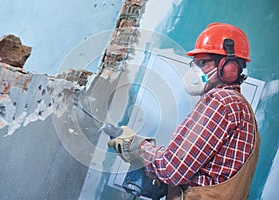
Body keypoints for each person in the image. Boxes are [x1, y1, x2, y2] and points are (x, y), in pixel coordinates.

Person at [108, 22, 260, 200]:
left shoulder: (220, 102)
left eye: (202, 63)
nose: (195, 70)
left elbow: (172, 169)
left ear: (229, 68)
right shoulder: (242, 108)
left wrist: (137, 145)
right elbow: (198, 171)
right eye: (194, 64)